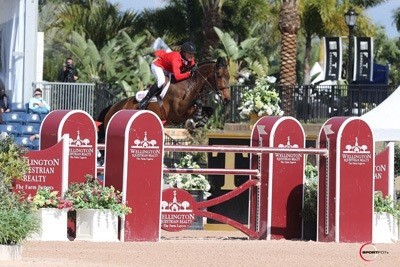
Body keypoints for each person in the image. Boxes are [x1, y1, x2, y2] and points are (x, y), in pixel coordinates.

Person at [138, 41, 198, 110]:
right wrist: (189, 73)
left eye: (193, 54)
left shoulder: (190, 58)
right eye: (190, 54)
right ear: (184, 53)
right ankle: (145, 100)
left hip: (169, 70)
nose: (192, 56)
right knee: (161, 81)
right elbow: (178, 77)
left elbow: (192, 67)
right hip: (158, 66)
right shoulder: (176, 59)